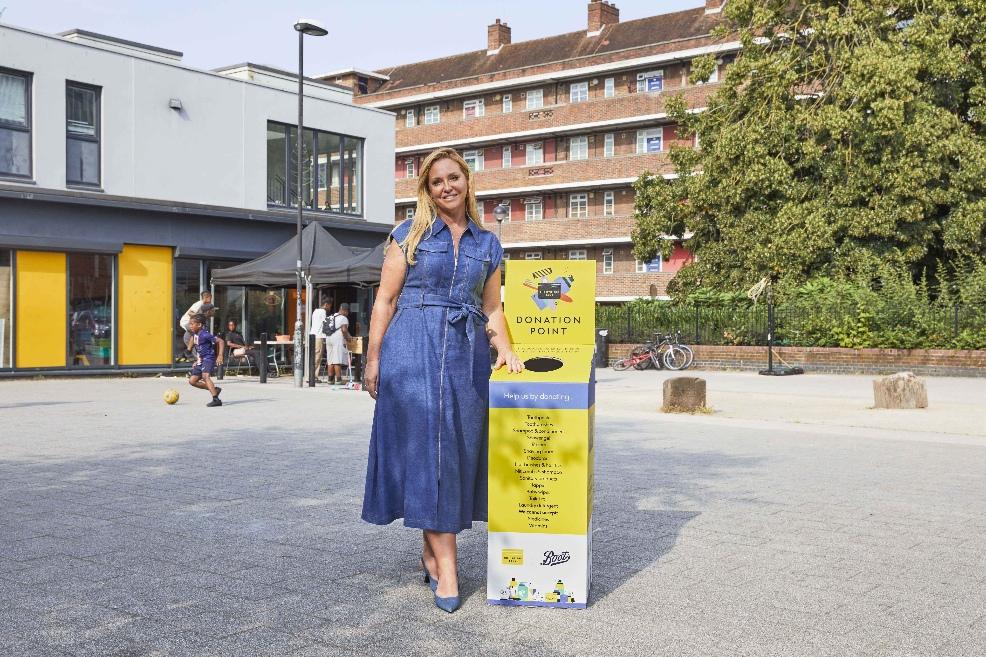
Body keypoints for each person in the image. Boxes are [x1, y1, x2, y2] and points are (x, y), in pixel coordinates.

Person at [361, 147, 523, 613]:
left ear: (467, 182)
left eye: (454, 177)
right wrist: (373, 359)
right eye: (437, 181)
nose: (446, 186)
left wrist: (506, 349)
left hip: (465, 354)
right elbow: (385, 301)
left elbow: (492, 307)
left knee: (455, 450)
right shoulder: (407, 235)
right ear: (427, 190)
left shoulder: (487, 245)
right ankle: (448, 570)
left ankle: (431, 549)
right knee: (430, 449)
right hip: (412, 348)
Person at [186, 313, 225, 407]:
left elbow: (221, 341)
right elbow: (197, 345)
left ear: (199, 325)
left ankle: (216, 399)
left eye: (192, 324)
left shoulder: (205, 334)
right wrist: (195, 358)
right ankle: (214, 389)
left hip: (208, 358)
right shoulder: (195, 335)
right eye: (190, 324)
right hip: (201, 360)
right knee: (192, 381)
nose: (190, 326)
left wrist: (220, 355)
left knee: (205, 376)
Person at [179, 292, 217, 358]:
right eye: (211, 298)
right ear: (206, 297)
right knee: (197, 334)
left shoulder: (203, 307)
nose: (211, 299)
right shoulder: (199, 303)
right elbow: (190, 313)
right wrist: (200, 316)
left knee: (194, 336)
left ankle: (189, 351)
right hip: (186, 322)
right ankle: (190, 351)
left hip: (191, 323)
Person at [325, 303, 351, 385]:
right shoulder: (343, 318)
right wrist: (348, 337)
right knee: (337, 359)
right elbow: (344, 330)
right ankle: (339, 379)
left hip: (328, 338)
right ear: (345, 310)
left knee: (330, 359)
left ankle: (330, 379)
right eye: (347, 311)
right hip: (337, 339)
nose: (347, 313)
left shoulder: (331, 316)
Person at [310, 300, 332, 381]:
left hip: (313, 336)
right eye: (330, 306)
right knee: (317, 356)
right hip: (319, 336)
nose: (330, 308)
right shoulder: (322, 311)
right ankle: (311, 376)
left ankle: (314, 376)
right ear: (326, 304)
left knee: (315, 356)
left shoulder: (315, 311)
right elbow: (326, 324)